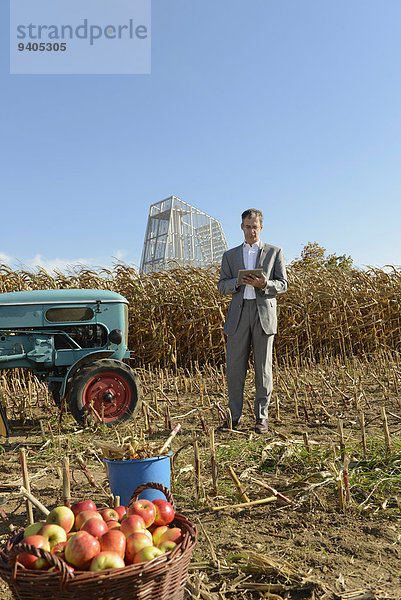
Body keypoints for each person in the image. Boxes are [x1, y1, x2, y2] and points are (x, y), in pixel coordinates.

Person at [217, 208, 288, 433]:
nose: (251, 231)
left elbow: (283, 285)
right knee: (234, 369)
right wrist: (237, 283)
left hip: (263, 314)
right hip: (238, 315)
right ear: (242, 227)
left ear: (261, 227)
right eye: (247, 227)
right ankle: (234, 418)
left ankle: (261, 418)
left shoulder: (275, 252)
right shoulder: (230, 256)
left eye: (255, 227)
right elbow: (221, 286)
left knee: (263, 368)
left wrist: (264, 285)